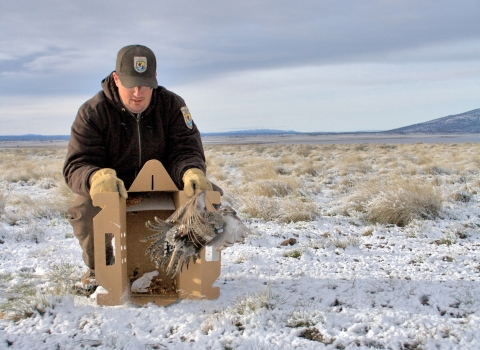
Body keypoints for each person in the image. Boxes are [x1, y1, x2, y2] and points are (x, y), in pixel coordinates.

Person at [63, 44, 218, 285]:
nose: (138, 93)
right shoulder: (93, 112)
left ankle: (190, 265)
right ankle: (99, 267)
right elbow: (77, 164)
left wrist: (190, 171)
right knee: (84, 209)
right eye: (130, 84)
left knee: (209, 196)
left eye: (145, 84)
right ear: (116, 78)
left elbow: (186, 149)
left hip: (165, 185)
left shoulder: (172, 106)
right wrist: (94, 178)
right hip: (116, 189)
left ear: (155, 78)